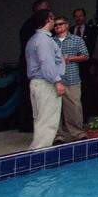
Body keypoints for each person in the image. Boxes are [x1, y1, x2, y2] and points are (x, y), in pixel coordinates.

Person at [25, 9, 65, 149]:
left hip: (37, 83)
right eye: (53, 18)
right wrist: (57, 81)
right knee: (48, 121)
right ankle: (39, 154)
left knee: (40, 119)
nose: (54, 22)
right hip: (46, 83)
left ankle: (38, 152)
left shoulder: (34, 39)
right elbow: (47, 62)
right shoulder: (43, 40)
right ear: (48, 19)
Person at [52, 15, 89, 142]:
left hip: (72, 78)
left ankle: (77, 134)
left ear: (67, 25)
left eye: (60, 24)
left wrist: (70, 58)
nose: (58, 27)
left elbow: (85, 56)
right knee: (55, 110)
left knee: (74, 108)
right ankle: (58, 136)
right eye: (55, 25)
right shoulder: (51, 41)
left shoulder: (76, 40)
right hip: (55, 80)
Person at [17, 0, 52, 133]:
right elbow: (43, 58)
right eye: (46, 9)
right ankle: (28, 125)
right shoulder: (35, 32)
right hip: (36, 72)